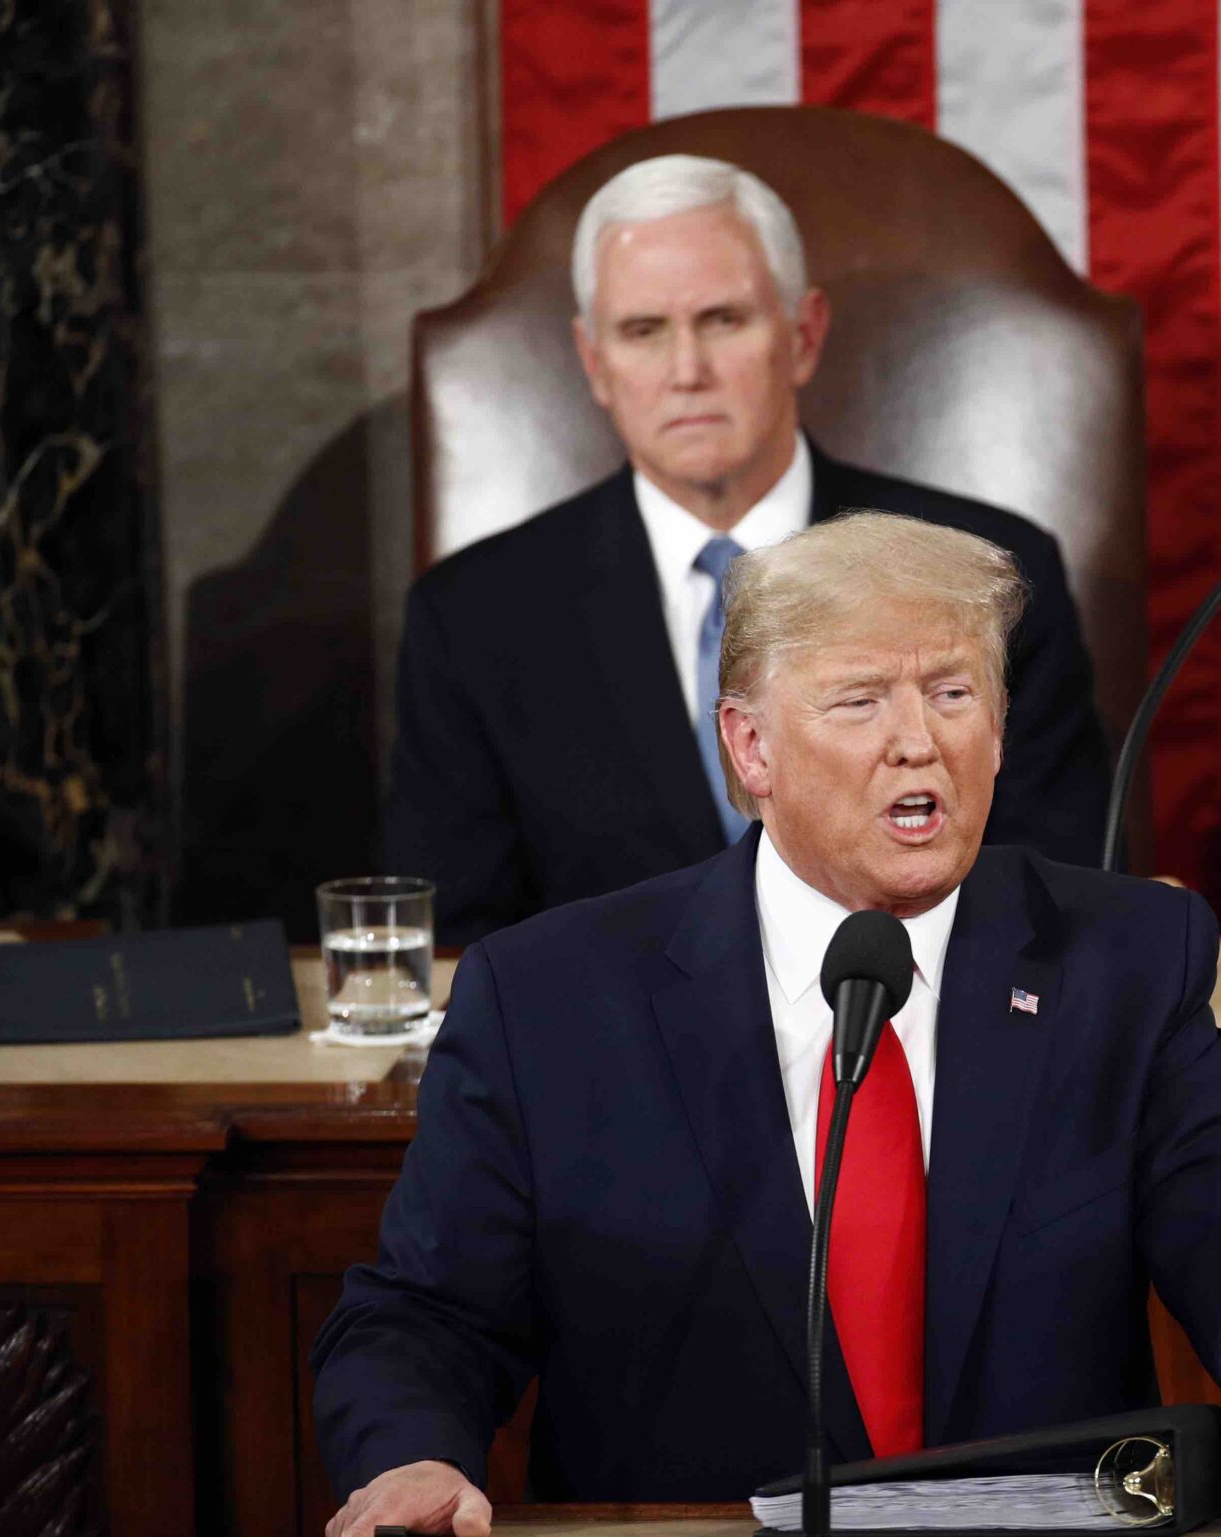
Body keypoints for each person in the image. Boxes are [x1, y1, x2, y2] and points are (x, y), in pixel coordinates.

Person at [316, 512, 1221, 1537]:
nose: (920, 741)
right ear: (750, 747)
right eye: (861, 701)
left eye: (953, 694)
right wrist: (413, 1457)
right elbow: (427, 1311)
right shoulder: (552, 997)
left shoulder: (1124, 963)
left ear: (999, 730)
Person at [390, 154, 1113, 945]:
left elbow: (1053, 895)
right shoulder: (475, 616)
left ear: (803, 336)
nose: (687, 372)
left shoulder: (987, 573)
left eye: (723, 321)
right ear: (595, 364)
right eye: (643, 332)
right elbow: (462, 943)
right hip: (609, 1058)